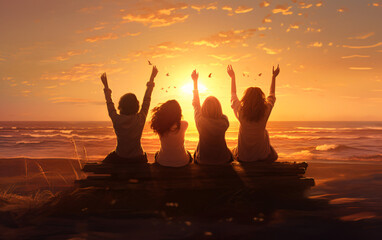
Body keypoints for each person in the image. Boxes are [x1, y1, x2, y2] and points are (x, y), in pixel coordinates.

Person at [101, 66, 158, 164]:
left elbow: (109, 103)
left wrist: (106, 86)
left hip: (120, 157)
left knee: (105, 162)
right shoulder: (140, 118)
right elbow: (147, 99)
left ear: (121, 105)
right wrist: (152, 78)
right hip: (137, 158)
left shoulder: (116, 119)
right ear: (136, 106)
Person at [227, 64, 280, 162]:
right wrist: (273, 77)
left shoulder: (241, 111)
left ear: (245, 99)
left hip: (244, 157)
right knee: (274, 154)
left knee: (233, 151)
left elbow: (233, 95)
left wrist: (232, 77)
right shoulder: (265, 111)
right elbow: (272, 95)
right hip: (262, 156)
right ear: (261, 99)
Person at [191, 69, 232, 164]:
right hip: (223, 159)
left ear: (203, 108)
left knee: (194, 153)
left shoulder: (200, 121)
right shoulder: (224, 122)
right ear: (219, 108)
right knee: (230, 153)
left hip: (203, 160)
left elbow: (196, 104)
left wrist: (195, 82)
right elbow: (197, 104)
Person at [150, 100, 191, 167]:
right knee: (189, 154)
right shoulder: (184, 124)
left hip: (163, 162)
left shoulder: (160, 125)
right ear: (178, 113)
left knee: (156, 154)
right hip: (182, 162)